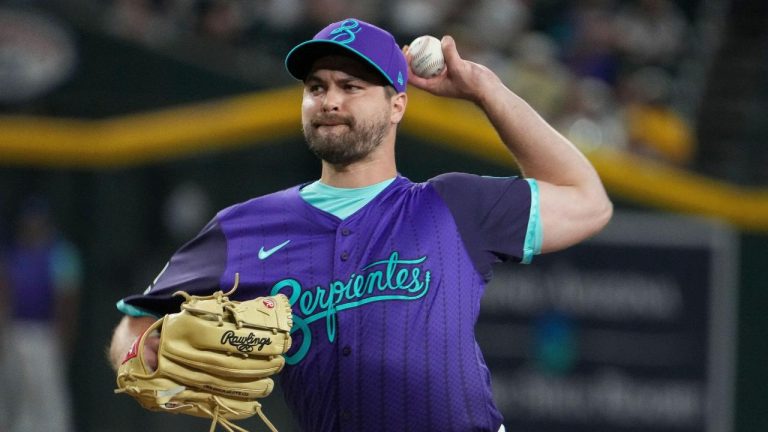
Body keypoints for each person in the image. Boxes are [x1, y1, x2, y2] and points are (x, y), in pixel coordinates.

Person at [108, 18, 612, 432]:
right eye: (316, 87)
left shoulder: (453, 204)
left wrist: (485, 89)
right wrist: (150, 360)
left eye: (351, 86)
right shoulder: (244, 227)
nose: (330, 101)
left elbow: (589, 203)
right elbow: (132, 326)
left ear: (398, 104)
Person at [2, 196, 81, 432]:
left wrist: (63, 336)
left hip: (45, 334)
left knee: (47, 396)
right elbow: (5, 293)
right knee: (14, 395)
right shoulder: (14, 254)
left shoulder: (60, 254)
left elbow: (67, 300)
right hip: (15, 331)